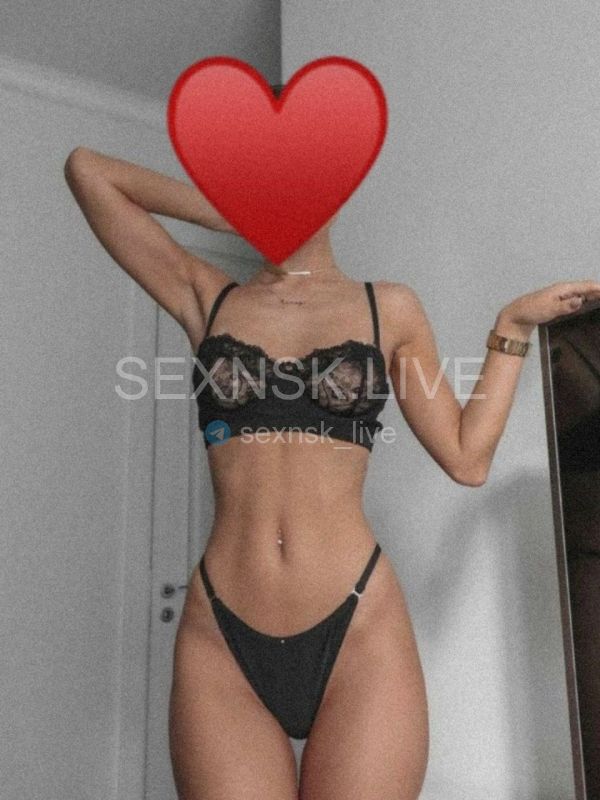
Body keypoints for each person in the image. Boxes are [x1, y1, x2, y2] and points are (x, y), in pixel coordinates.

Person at [64, 144, 600, 800]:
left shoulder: (387, 308)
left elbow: (468, 457)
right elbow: (88, 171)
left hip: (358, 627)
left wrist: (510, 326)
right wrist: (234, 213)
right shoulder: (207, 297)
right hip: (222, 636)